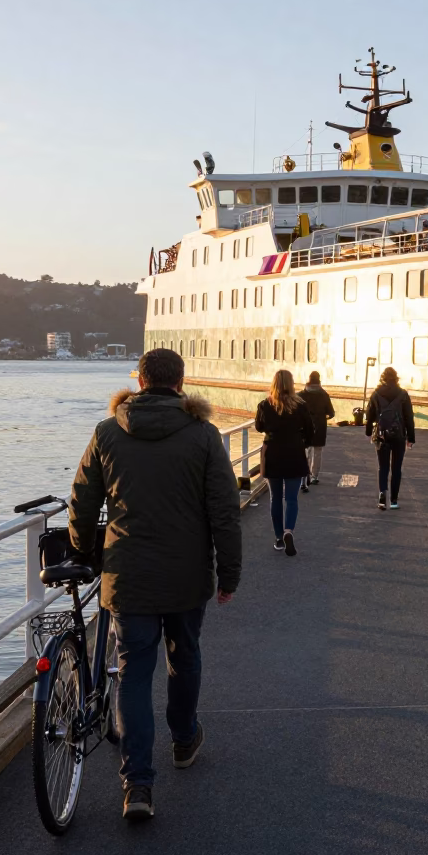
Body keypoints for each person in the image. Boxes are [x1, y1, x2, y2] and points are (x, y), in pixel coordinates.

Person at [68, 348, 242, 822]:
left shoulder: (107, 432)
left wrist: (85, 552)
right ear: (180, 383)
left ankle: (138, 785)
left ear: (139, 381)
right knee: (184, 657)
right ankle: (184, 740)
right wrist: (229, 574)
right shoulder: (204, 436)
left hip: (128, 576)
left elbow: (81, 503)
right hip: (187, 576)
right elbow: (224, 511)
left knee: (133, 674)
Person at [255, 370, 314, 554]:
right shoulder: (301, 405)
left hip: (273, 453)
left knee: (275, 498)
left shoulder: (265, 405)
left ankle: (279, 538)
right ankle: (289, 530)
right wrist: (300, 441)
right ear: (291, 383)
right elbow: (311, 431)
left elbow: (259, 427)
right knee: (291, 498)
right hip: (295, 454)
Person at [365, 366, 415, 510]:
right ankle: (393, 501)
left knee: (383, 467)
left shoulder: (376, 394)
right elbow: (409, 418)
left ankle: (382, 495)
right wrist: (411, 438)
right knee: (396, 468)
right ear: (396, 378)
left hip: (382, 435)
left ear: (383, 378)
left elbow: (369, 416)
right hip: (399, 435)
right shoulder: (403, 394)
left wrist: (369, 432)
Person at [299, 370, 335, 492]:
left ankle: (306, 474)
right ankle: (315, 476)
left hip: (304, 427)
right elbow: (331, 413)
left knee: (306, 450)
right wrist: (324, 416)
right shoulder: (324, 395)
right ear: (319, 380)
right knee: (317, 451)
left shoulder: (301, 395)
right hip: (319, 426)